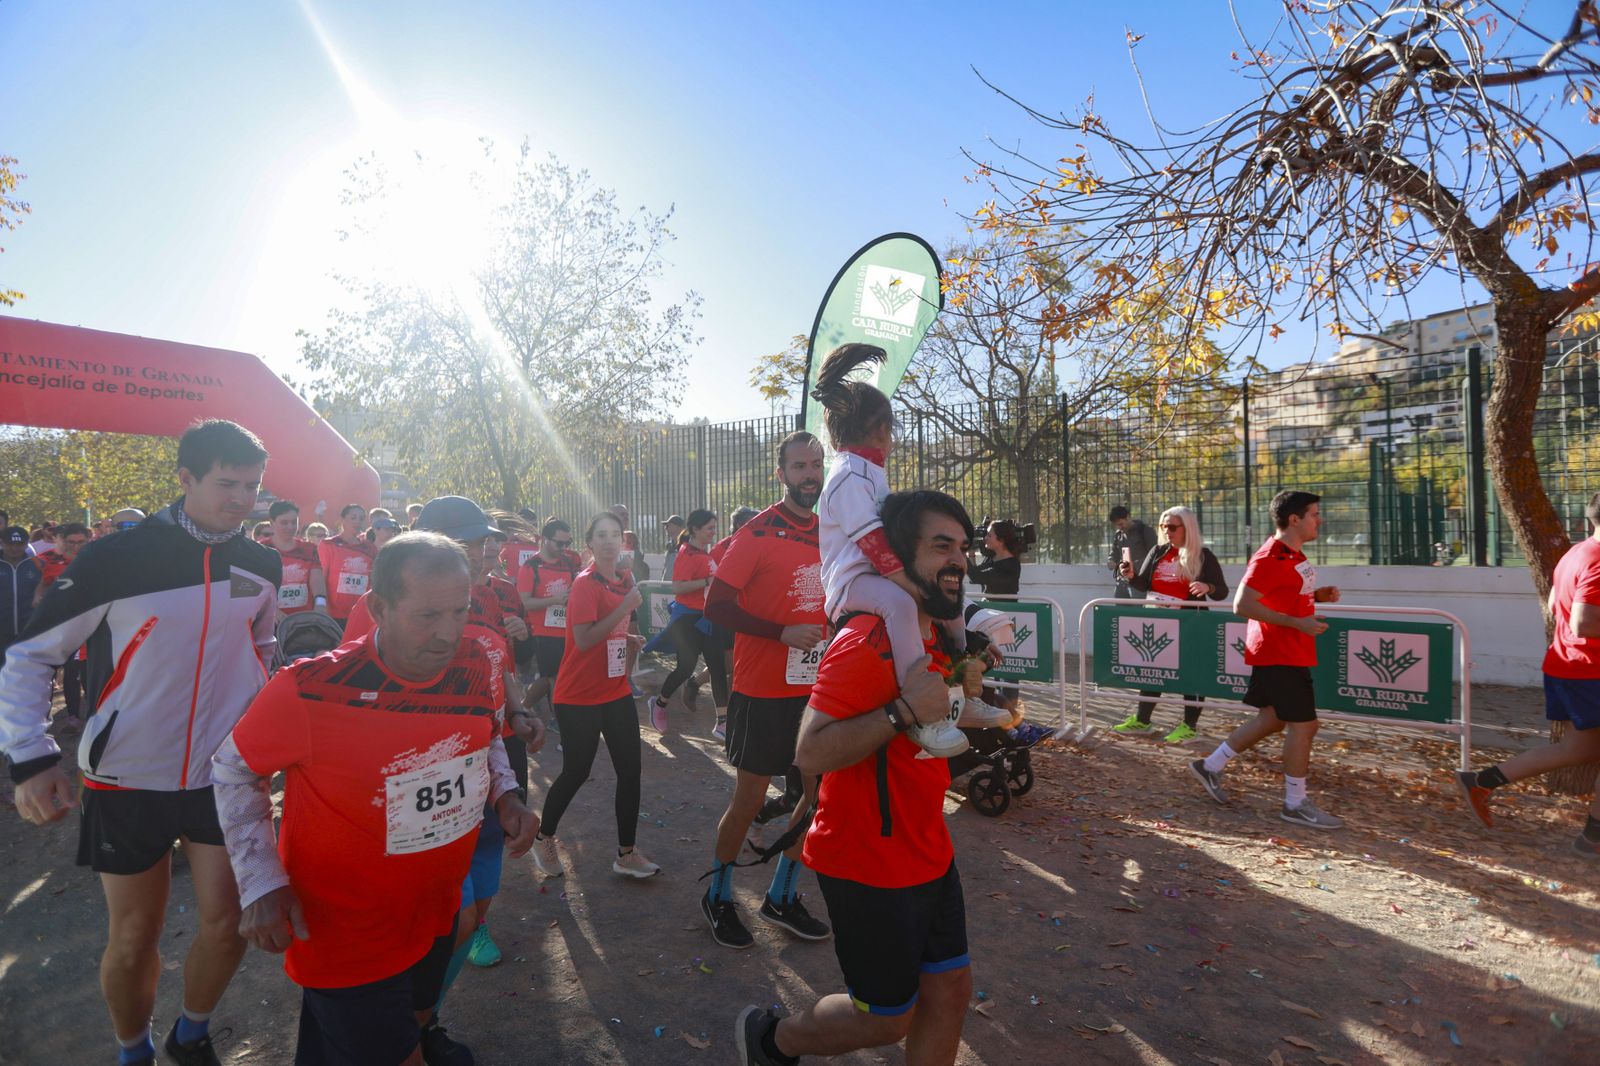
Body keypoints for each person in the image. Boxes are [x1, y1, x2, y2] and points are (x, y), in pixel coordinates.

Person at [0, 419, 279, 1066]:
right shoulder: (116, 558)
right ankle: (134, 1051)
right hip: (125, 777)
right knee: (133, 938)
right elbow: (29, 658)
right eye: (226, 483)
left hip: (223, 774)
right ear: (184, 479)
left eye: (252, 486)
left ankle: (192, 1032)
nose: (241, 499)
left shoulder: (262, 562)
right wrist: (32, 756)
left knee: (232, 921)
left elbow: (262, 648)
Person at [210, 532, 539, 1066]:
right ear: (380, 608)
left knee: (397, 1027)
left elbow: (486, 735)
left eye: (459, 611)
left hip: (434, 907)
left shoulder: (476, 664)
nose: (447, 633)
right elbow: (230, 772)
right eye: (428, 615)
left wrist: (506, 796)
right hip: (346, 929)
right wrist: (259, 879)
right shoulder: (310, 688)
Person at [736, 490, 974, 1066]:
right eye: (941, 546)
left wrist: (966, 689)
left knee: (949, 990)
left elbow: (936, 719)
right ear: (895, 556)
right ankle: (771, 1041)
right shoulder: (865, 640)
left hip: (927, 847)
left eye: (963, 548)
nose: (959, 561)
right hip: (869, 858)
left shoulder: (935, 634)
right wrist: (902, 712)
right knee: (886, 1018)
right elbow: (809, 751)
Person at [701, 432, 831, 950]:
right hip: (760, 691)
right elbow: (716, 607)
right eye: (798, 466)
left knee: (811, 795)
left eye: (816, 464)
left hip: (813, 689)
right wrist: (780, 633)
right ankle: (718, 893)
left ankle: (781, 894)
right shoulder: (756, 533)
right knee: (750, 798)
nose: (809, 475)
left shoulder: (830, 533)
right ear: (781, 474)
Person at [812, 343, 967, 759]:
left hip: (875, 575)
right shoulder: (847, 476)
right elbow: (875, 547)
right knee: (901, 605)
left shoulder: (869, 473)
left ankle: (964, 681)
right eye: (892, 430)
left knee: (951, 594)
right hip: (852, 584)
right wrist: (916, 587)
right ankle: (923, 711)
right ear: (882, 431)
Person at [1189, 491, 1344, 830]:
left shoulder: (1292, 555)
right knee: (1305, 725)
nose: (1320, 520)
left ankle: (1210, 766)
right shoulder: (1270, 557)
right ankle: (1295, 803)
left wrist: (1317, 596)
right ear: (1294, 519)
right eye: (1315, 514)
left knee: (1273, 719)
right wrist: (1296, 623)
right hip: (1279, 652)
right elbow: (1241, 605)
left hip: (1288, 649)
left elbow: (1282, 594)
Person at [1457, 490, 1600, 856]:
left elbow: (1555, 604)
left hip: (1566, 665)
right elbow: (1584, 621)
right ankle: (1593, 840)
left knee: (1577, 748)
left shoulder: (1577, 552)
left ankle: (1481, 781)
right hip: (1590, 670)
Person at [530, 511, 659, 880]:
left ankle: (627, 853)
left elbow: (608, 631)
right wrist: (624, 609)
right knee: (576, 772)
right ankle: (544, 836)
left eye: (614, 534)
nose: (608, 541)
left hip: (615, 691)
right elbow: (584, 639)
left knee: (630, 771)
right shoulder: (586, 584)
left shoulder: (624, 579)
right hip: (578, 696)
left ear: (622, 541)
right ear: (590, 544)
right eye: (600, 535)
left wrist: (625, 636)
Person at [1113, 506, 1229, 742]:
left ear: (1188, 528)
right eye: (1164, 526)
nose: (1167, 531)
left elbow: (1222, 592)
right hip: (1159, 621)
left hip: (1191, 625)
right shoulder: (1157, 551)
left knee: (1191, 674)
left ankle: (1189, 726)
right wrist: (1131, 576)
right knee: (1153, 671)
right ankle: (1142, 721)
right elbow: (1144, 584)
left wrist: (1208, 587)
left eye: (1173, 527)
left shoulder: (1202, 555)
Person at [647, 510, 730, 733]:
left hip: (708, 618)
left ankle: (722, 722)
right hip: (688, 621)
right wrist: (706, 581)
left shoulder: (705, 554)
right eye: (709, 528)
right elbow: (678, 587)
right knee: (685, 668)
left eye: (714, 528)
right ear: (695, 529)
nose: (713, 532)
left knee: (717, 667)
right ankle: (659, 703)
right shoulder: (686, 554)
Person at [518, 519, 581, 715]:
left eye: (567, 543)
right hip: (543, 632)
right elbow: (526, 603)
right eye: (559, 543)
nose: (564, 547)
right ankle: (557, 718)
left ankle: (523, 706)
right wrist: (555, 600)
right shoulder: (531, 566)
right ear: (545, 539)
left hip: (568, 630)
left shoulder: (568, 563)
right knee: (554, 677)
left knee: (560, 677)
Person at [33, 522, 91, 729]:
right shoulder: (44, 560)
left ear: (88, 540)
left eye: (80, 542)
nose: (76, 546)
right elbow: (36, 591)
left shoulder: (96, 559)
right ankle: (59, 718)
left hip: (90, 626)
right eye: (71, 542)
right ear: (61, 540)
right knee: (58, 672)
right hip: (58, 627)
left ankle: (84, 715)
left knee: (84, 673)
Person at [267, 500, 329, 616]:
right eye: (284, 523)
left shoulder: (309, 549)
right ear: (272, 523)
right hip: (270, 621)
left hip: (304, 618)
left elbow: (316, 580)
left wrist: (320, 604)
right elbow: (254, 587)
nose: (290, 527)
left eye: (294, 522)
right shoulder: (261, 548)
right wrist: (271, 611)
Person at [318, 504, 375, 629]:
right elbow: (321, 577)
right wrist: (321, 605)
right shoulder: (328, 544)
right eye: (353, 517)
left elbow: (373, 579)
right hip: (334, 613)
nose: (357, 522)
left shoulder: (370, 548)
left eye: (361, 518)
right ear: (343, 520)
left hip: (360, 610)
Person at [0, 525, 43, 667]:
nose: (14, 548)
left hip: (29, 633)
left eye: (19, 544)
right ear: (2, 542)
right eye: (9, 544)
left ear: (26, 544)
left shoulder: (38, 565)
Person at [1107, 506, 1157, 599]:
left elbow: (1155, 556)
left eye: (1121, 524)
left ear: (1128, 517)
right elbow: (1114, 553)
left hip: (1139, 581)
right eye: (1117, 525)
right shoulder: (1119, 535)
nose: (1119, 527)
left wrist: (1133, 565)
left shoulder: (1145, 531)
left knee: (1138, 611)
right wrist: (1111, 561)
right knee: (1120, 610)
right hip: (1122, 581)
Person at [661, 515, 686, 579]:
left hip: (680, 586)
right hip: (666, 585)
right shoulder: (669, 546)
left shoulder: (687, 545)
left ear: (679, 527)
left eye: (669, 525)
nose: (666, 528)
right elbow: (666, 567)